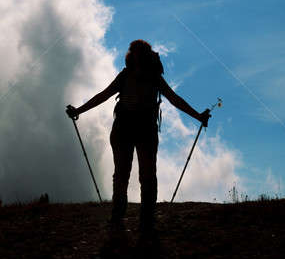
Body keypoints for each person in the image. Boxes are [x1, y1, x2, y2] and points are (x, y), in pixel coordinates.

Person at [66, 39, 211, 233]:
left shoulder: (131, 76)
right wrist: (198, 116)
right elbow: (174, 99)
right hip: (143, 128)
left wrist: (79, 110)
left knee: (125, 174)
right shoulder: (152, 77)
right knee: (145, 174)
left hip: (126, 127)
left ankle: (121, 217)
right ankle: (145, 219)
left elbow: (104, 95)